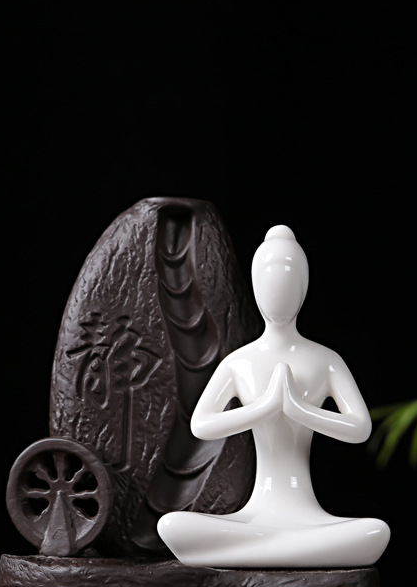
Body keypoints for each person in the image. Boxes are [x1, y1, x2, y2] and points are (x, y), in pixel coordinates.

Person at [157, 225, 390, 568]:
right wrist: (265, 407)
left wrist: (300, 409)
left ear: (304, 286)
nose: (278, 291)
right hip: (255, 515)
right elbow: (201, 425)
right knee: (172, 526)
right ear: (254, 285)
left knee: (374, 532)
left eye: (288, 279)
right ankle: (291, 551)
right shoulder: (239, 362)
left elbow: (360, 428)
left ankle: (252, 552)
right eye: (268, 279)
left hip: (309, 518)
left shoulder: (325, 360)